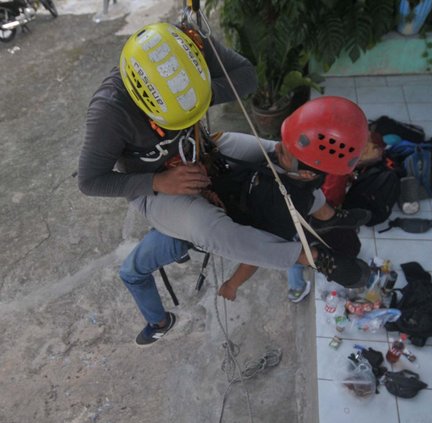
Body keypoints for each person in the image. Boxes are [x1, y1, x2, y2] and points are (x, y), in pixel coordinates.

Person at [78, 22, 370, 346]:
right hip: (158, 187)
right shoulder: (110, 112)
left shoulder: (184, 47)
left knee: (278, 153)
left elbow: (245, 76)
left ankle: (328, 215)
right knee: (212, 230)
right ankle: (308, 256)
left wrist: (201, 91)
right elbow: (91, 181)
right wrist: (158, 181)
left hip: (206, 149)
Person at [214, 97, 372, 303]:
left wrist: (232, 285)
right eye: (283, 143)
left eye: (284, 152)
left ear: (306, 174)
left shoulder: (281, 210)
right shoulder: (308, 169)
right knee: (316, 201)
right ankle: (330, 217)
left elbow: (256, 251)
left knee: (294, 251)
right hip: (261, 188)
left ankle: (300, 284)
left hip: (263, 212)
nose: (277, 147)